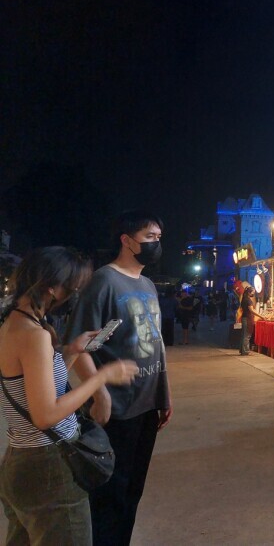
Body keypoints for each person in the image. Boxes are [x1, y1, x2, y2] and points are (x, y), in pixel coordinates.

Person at [0, 247, 138, 545]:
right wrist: (101, 378)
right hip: (47, 467)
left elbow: (37, 381)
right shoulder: (33, 334)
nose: (75, 293)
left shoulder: (18, 322)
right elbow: (45, 414)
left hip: (21, 461)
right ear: (51, 287)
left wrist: (73, 351)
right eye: (73, 287)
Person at [65, 210, 173, 546]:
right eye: (148, 238)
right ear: (126, 240)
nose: (156, 244)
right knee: (110, 495)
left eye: (158, 238)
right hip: (115, 409)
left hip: (146, 406)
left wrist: (164, 394)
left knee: (132, 492)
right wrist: (100, 395)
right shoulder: (103, 281)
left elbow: (155, 344)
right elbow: (77, 347)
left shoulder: (148, 284)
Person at [239, 286, 267, 356]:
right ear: (249, 292)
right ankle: (245, 351)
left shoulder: (244, 299)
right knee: (247, 335)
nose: (253, 294)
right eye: (253, 292)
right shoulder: (248, 300)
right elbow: (251, 310)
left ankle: (242, 350)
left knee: (244, 335)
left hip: (244, 318)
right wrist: (261, 316)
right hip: (247, 318)